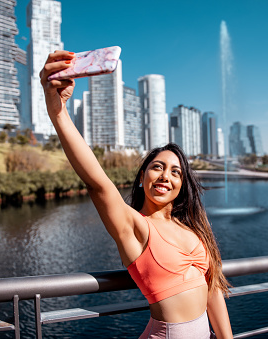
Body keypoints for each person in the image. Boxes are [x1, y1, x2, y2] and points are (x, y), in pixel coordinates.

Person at [40, 50, 233, 339]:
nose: (166, 176)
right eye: (158, 167)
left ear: (183, 185)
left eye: (176, 172)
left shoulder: (193, 228)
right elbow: (99, 184)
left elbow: (213, 290)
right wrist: (58, 110)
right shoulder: (135, 226)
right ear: (143, 177)